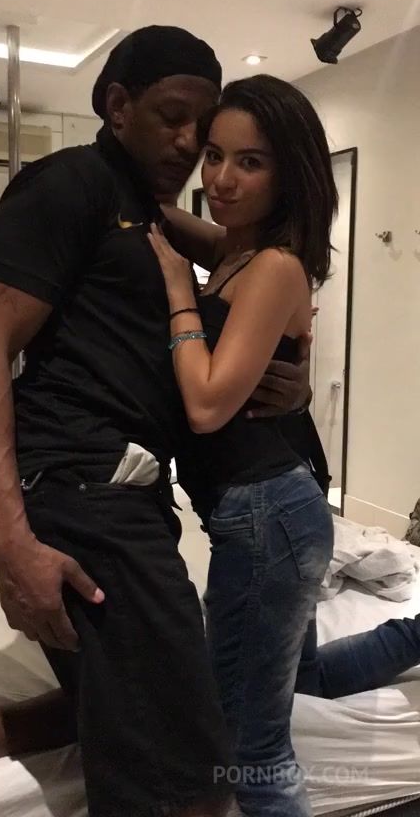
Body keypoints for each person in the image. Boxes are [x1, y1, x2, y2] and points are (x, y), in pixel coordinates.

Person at [0, 27, 311, 815]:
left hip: (127, 497)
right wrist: (10, 544)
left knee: (149, 702)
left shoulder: (149, 214)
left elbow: (251, 280)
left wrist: (292, 375)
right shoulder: (71, 182)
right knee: (197, 778)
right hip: (90, 497)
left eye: (204, 129)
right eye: (172, 119)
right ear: (116, 107)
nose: (190, 146)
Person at [145, 73, 408, 816]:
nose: (221, 180)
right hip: (275, 514)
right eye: (215, 155)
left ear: (289, 174)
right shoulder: (236, 252)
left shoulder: (275, 265)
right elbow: (163, 216)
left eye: (250, 162)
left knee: (250, 746)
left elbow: (206, 405)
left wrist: (177, 293)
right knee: (303, 677)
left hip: (266, 520)